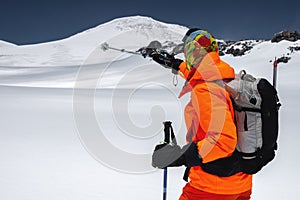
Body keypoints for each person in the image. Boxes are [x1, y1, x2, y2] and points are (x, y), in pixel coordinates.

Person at [151, 29, 252, 200]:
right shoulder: (226, 78)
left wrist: (178, 156)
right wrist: (175, 64)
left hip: (210, 188)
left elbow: (223, 141)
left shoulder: (206, 89)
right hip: (239, 184)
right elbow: (198, 72)